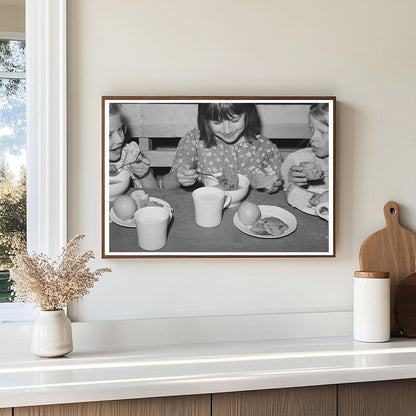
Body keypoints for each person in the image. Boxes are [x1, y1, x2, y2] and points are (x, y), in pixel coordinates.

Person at [162, 103, 282, 192]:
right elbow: (167, 185)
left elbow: (274, 189)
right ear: (205, 120)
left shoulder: (265, 148)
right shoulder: (194, 139)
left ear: (248, 114)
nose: (227, 130)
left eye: (234, 120)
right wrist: (179, 177)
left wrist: (270, 185)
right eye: (217, 122)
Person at [281, 103, 329, 191]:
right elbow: (282, 194)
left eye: (322, 132)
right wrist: (292, 184)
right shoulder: (296, 160)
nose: (313, 137)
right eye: (311, 129)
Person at [109, 103, 158, 188]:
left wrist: (145, 175)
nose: (120, 139)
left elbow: (155, 192)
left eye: (120, 129)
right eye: (109, 135)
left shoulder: (129, 155)